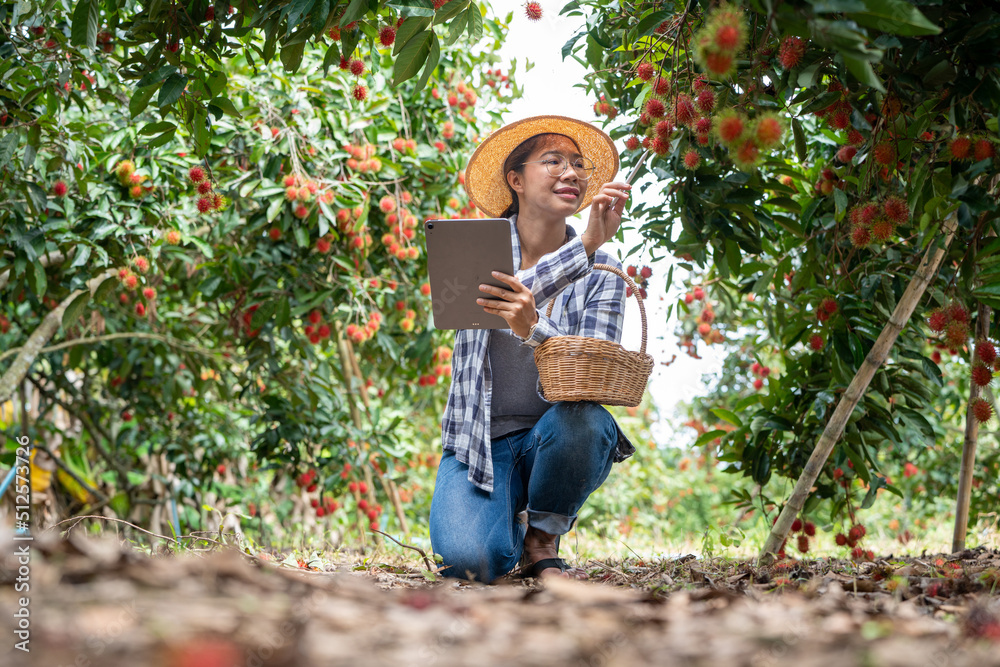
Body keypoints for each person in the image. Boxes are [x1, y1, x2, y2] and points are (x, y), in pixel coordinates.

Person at [429, 115, 637, 583]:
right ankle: (506, 516)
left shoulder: (604, 267)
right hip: (480, 442)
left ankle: (541, 536)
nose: (572, 173)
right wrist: (581, 245)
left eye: (579, 165)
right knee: (471, 561)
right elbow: (492, 297)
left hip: (556, 432)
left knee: (586, 420)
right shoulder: (474, 247)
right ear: (515, 179)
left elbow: (594, 362)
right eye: (553, 161)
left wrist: (533, 328)